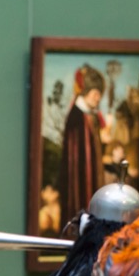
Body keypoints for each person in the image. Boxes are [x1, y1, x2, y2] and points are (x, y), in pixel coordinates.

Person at [57, 63, 107, 226]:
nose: (98, 98)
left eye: (100, 94)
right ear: (86, 92)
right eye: (95, 93)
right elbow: (74, 159)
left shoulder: (92, 116)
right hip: (80, 182)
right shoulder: (76, 117)